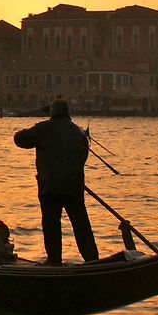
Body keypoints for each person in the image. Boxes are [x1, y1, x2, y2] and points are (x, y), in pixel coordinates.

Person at [14, 98, 99, 265]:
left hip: (50, 186)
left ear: (52, 112)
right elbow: (83, 157)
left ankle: (54, 260)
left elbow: (19, 139)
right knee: (81, 224)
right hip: (74, 185)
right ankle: (92, 260)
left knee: (51, 223)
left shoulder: (43, 128)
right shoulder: (79, 132)